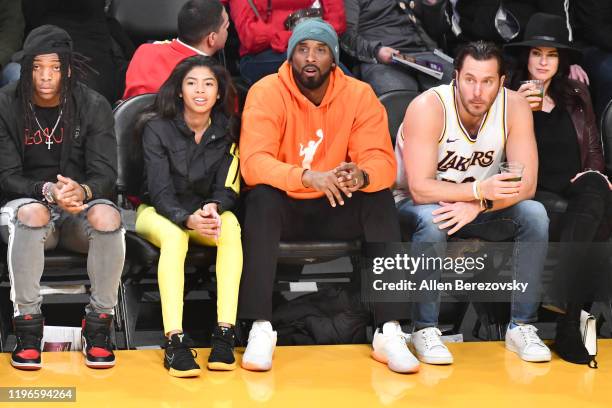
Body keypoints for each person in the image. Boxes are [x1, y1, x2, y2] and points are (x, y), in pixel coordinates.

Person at [239, 19, 405, 373]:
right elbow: (253, 164)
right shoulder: (266, 91)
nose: (310, 58)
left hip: (335, 203)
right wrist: (304, 176)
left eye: (320, 49)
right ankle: (260, 327)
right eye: (302, 49)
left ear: (334, 58)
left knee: (379, 199)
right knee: (260, 199)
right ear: (290, 55)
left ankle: (390, 329)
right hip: (286, 207)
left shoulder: (359, 94)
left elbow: (382, 162)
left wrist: (361, 175)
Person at [394, 41, 551, 366]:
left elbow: (528, 185)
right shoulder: (429, 106)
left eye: (487, 81)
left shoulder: (515, 106)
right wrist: (479, 191)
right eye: (469, 79)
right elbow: (420, 189)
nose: (477, 91)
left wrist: (478, 204)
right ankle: (424, 329)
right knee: (435, 220)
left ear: (502, 81)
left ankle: (521, 326)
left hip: (477, 204)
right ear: (455, 77)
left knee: (534, 215)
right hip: (414, 206)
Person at [0, 25, 124, 370]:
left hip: (77, 211)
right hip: (27, 207)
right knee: (32, 215)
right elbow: (5, 176)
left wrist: (81, 191)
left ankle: (99, 326)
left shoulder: (92, 104)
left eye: (54, 67)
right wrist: (47, 192)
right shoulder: (5, 104)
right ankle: (27, 328)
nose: (45, 76)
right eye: (37, 67)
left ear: (68, 69)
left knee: (109, 217)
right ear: (25, 68)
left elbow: (105, 174)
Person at [507, 13, 612, 365]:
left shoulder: (576, 92)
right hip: (532, 188)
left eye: (550, 55)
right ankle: (570, 323)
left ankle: (564, 309)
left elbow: (593, 149)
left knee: (598, 186)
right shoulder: (509, 95)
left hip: (574, 184)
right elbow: (499, 154)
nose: (542, 61)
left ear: (560, 60)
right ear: (527, 57)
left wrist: (594, 174)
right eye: (537, 53)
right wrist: (517, 108)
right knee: (600, 214)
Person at [135, 55, 242, 377]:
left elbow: (229, 186)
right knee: (174, 236)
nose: (200, 90)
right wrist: (186, 218)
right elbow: (158, 191)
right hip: (156, 212)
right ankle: (174, 340)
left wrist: (214, 207)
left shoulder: (228, 130)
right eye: (192, 83)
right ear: (180, 90)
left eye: (209, 84)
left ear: (219, 93)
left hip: (200, 213)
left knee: (231, 227)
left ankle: (224, 334)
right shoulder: (156, 127)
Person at [340, 0, 454, 95]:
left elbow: (438, 31)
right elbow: (346, 35)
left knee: (458, 86)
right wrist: (376, 51)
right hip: (379, 58)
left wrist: (433, 6)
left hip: (424, 52)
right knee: (396, 96)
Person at [123, 0, 229, 99]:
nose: (227, 32)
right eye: (226, 27)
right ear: (212, 38)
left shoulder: (144, 51)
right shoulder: (211, 79)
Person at [230, 0, 346, 85]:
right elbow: (251, 36)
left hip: (310, 46)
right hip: (261, 56)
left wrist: (290, 36)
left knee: (327, 66)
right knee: (318, 65)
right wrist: (301, 35)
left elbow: (336, 23)